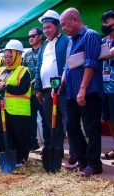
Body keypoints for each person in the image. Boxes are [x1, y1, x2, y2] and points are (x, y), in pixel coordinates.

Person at [60, 7, 104, 177]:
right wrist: (61, 83)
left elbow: (91, 63)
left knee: (91, 128)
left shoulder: (90, 35)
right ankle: (83, 159)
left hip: (89, 92)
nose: (63, 28)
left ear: (74, 19)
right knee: (71, 126)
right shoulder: (71, 41)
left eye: (64, 24)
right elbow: (67, 65)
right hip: (72, 92)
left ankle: (94, 164)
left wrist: (83, 89)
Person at [34, 10, 74, 162]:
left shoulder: (66, 40)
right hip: (46, 90)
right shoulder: (44, 46)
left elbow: (67, 64)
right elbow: (39, 67)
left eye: (49, 27)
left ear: (58, 26)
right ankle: (57, 150)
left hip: (63, 88)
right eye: (44, 28)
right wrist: (38, 88)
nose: (46, 31)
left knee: (68, 121)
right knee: (52, 122)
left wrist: (58, 85)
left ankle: (75, 152)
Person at [0, 39, 31, 166]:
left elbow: (23, 89)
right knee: (3, 134)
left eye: (10, 56)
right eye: (5, 56)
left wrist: (6, 87)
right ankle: (6, 159)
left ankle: (21, 159)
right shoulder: (1, 70)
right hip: (1, 108)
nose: (7, 59)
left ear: (18, 56)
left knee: (20, 135)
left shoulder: (24, 70)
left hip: (18, 110)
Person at [22, 27, 49, 152]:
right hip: (30, 92)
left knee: (46, 118)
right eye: (29, 37)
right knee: (30, 119)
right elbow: (22, 71)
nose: (30, 39)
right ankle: (33, 144)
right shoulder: (27, 53)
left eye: (32, 36)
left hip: (43, 90)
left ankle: (49, 146)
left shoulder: (47, 49)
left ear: (40, 36)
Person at [100, 10, 114, 166]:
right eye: (104, 23)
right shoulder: (104, 41)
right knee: (110, 120)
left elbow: (107, 55)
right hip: (105, 88)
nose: (105, 25)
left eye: (108, 22)